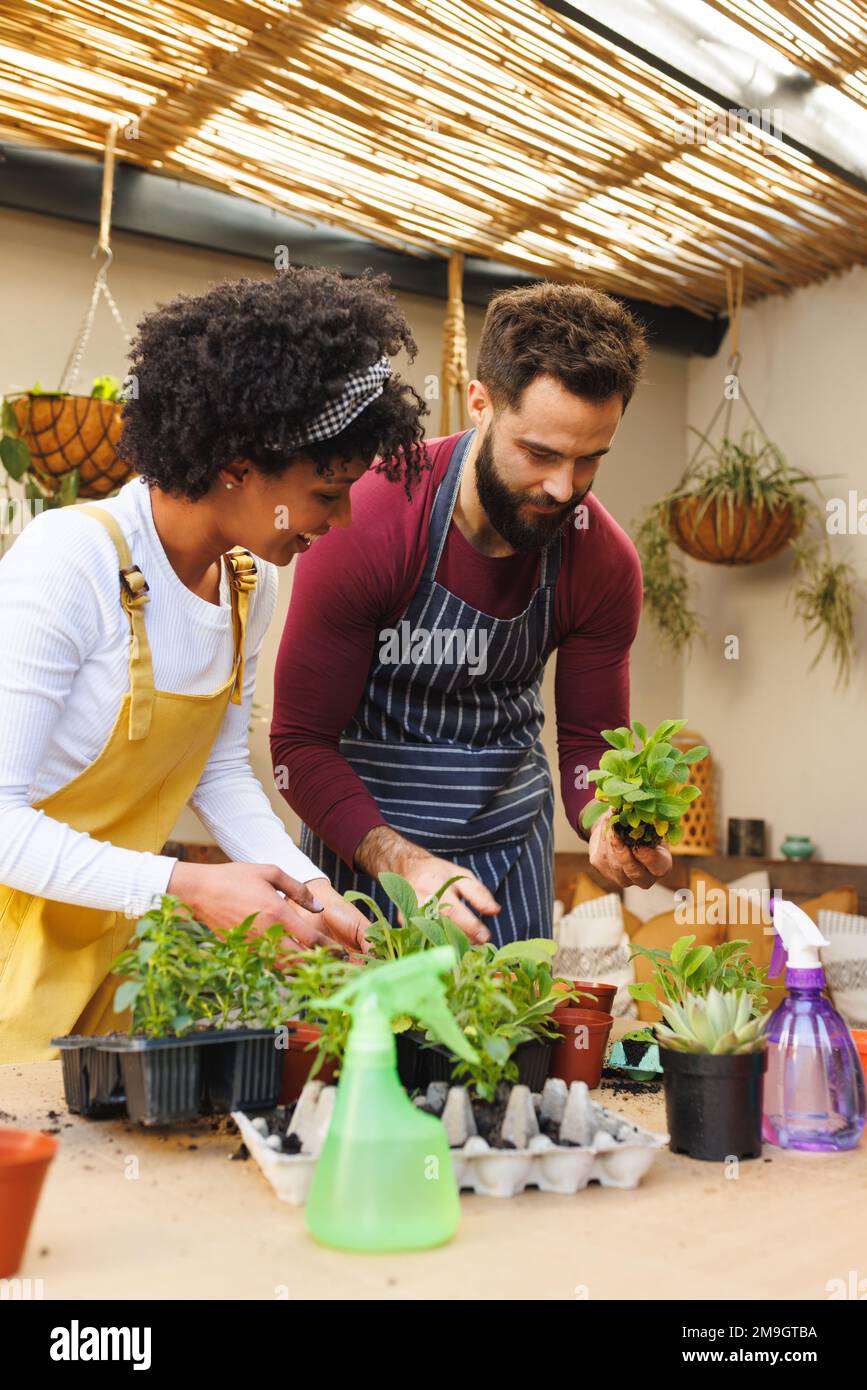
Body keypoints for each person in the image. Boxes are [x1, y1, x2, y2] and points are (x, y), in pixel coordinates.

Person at [0, 266, 428, 1061]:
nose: (336, 522)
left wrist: (312, 894)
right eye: (325, 493)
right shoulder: (70, 562)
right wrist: (186, 886)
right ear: (235, 464)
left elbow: (219, 773)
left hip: (102, 951)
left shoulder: (246, 584)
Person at [271, 281, 672, 947]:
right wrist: (404, 864)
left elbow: (587, 744)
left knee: (508, 1046)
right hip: (366, 848)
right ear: (479, 403)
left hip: (508, 851)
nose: (562, 487)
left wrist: (608, 820)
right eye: (540, 453)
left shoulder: (602, 563)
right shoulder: (368, 521)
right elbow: (299, 745)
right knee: (363, 1048)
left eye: (589, 459)